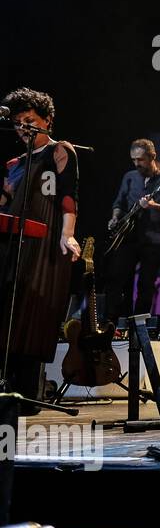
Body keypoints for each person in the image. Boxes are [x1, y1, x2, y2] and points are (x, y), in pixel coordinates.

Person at [0, 88, 80, 399]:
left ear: (47, 120)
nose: (23, 127)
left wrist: (67, 233)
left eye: (30, 120)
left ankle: (27, 394)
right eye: (18, 122)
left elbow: (69, 196)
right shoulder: (14, 163)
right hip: (12, 244)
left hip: (45, 241)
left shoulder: (60, 150)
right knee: (8, 309)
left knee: (32, 313)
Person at [104, 138, 160, 324]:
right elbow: (119, 202)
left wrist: (155, 205)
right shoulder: (130, 177)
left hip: (155, 240)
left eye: (141, 160)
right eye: (134, 160)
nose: (137, 164)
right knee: (119, 279)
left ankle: (138, 327)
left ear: (152, 156)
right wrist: (115, 217)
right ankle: (111, 324)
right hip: (129, 236)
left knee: (146, 285)